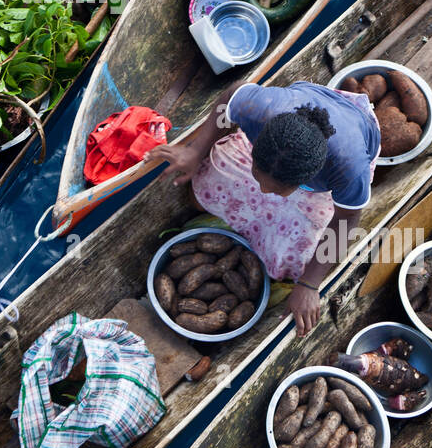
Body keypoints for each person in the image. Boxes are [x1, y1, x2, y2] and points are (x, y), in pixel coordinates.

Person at [143, 80, 381, 338]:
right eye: (258, 175)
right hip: (291, 125)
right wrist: (196, 150)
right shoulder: (260, 109)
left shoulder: (348, 169)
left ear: (302, 181)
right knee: (205, 183)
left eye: (277, 189)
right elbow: (229, 96)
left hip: (335, 163)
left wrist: (309, 285)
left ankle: (281, 198)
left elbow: (346, 221)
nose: (265, 191)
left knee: (301, 261)